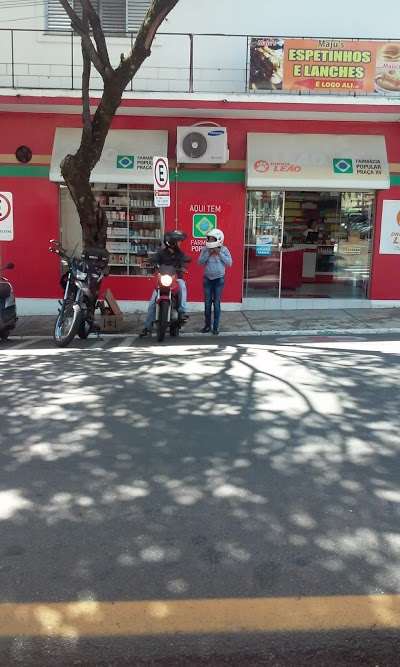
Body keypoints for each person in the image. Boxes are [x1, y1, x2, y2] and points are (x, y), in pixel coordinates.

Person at [139, 231, 190, 337]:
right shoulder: (161, 253)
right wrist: (148, 261)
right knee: (152, 303)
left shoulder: (180, 254)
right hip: (162, 281)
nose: (180, 243)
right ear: (172, 243)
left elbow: (185, 260)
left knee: (182, 285)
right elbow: (154, 259)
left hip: (176, 280)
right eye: (178, 241)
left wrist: (183, 266)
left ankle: (182, 311)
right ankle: (147, 328)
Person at [198, 228, 232, 335]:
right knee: (207, 304)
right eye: (209, 239)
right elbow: (200, 262)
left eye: (212, 239)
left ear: (219, 239)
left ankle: (215, 327)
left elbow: (229, 263)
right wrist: (208, 254)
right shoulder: (205, 249)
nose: (210, 241)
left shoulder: (224, 249)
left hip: (219, 280)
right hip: (207, 279)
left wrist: (219, 253)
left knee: (216, 303)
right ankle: (207, 326)